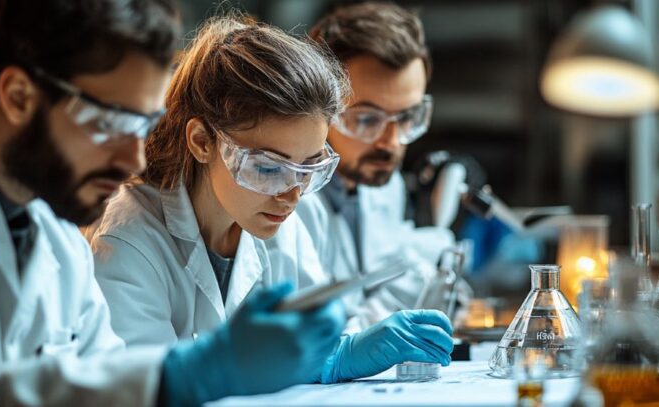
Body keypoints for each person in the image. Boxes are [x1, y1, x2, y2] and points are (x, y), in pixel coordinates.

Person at [0, 1, 345, 405]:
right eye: (111, 122)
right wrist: (185, 375)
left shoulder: (52, 229)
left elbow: (103, 373)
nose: (133, 158)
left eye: (145, 124)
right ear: (17, 96)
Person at [90, 16, 454, 385]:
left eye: (309, 167)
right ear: (202, 141)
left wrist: (338, 353)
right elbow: (145, 389)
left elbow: (307, 340)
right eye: (267, 168)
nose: (291, 195)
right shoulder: (130, 241)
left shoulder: (279, 217)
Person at [298, 2, 457, 328]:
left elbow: (377, 290)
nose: (391, 142)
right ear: (318, 105)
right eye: (368, 119)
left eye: (407, 117)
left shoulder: (385, 186)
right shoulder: (283, 196)